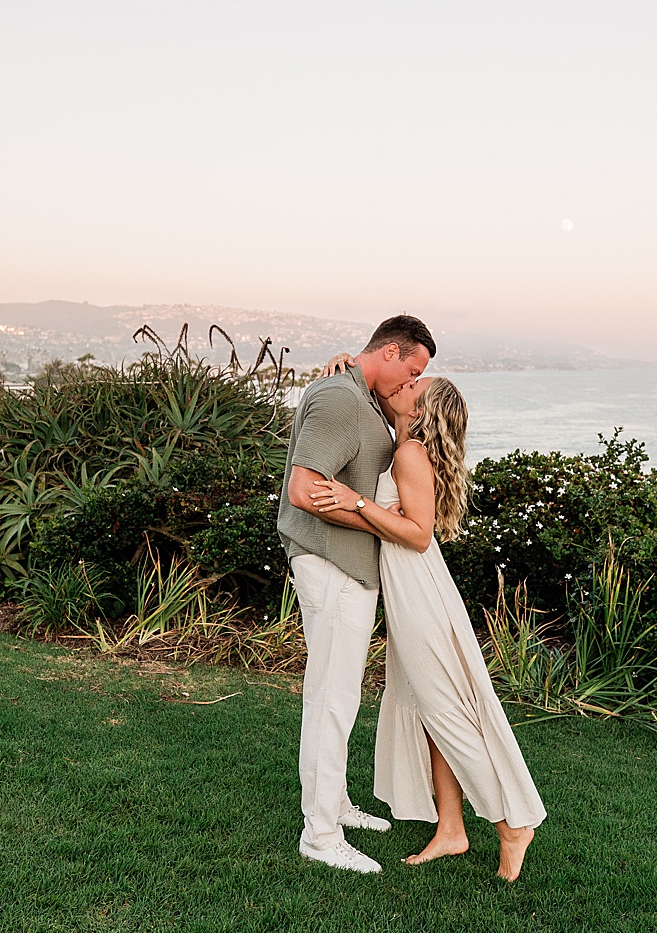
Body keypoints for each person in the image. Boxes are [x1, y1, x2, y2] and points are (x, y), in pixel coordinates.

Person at [309, 375, 546, 882]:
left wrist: (356, 502)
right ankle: (451, 830)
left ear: (421, 407)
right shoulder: (404, 444)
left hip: (419, 594)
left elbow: (418, 536)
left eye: (417, 384)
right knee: (429, 713)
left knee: (446, 713)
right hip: (411, 590)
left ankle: (512, 825)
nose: (406, 383)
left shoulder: (410, 453)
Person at [277, 314, 435, 874]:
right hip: (332, 563)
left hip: (349, 566)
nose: (409, 384)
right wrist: (375, 517)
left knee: (338, 696)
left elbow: (349, 478)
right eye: (411, 371)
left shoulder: (359, 394)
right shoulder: (343, 399)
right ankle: (319, 835)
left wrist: (369, 509)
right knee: (331, 700)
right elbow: (302, 489)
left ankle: (336, 805)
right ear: (391, 351)